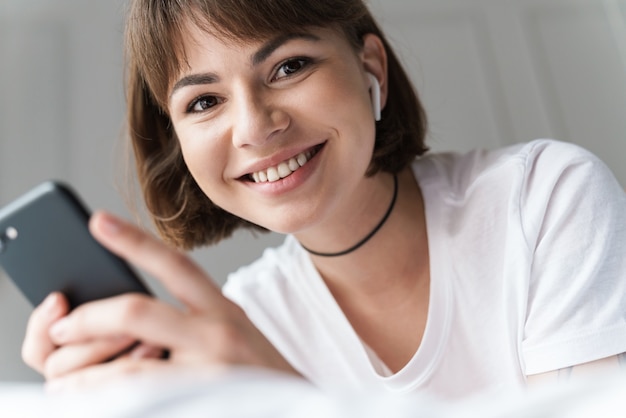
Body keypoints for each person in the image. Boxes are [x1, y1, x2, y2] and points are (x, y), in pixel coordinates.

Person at [21, 0, 626, 398]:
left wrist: (285, 396)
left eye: (289, 67)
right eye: (204, 102)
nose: (255, 128)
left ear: (371, 69)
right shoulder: (233, 332)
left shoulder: (544, 199)